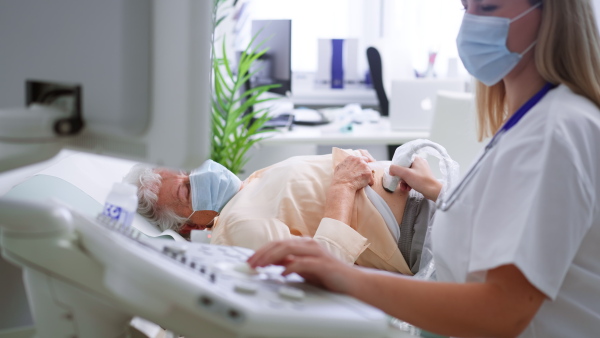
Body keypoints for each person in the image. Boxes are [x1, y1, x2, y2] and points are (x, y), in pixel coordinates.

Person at [247, 0, 600, 337]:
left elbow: (503, 310)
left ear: (553, 15)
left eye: (489, 7)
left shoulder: (552, 132)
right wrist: (446, 195)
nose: (472, 23)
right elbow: (523, 215)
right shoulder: (532, 123)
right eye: (466, 8)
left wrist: (340, 274)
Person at [125, 148, 438, 275]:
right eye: (186, 190)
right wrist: (342, 187)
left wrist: (353, 165)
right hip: (418, 229)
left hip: (421, 195)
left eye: (186, 171)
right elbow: (325, 263)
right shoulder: (235, 227)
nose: (197, 177)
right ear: (190, 227)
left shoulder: (249, 185)